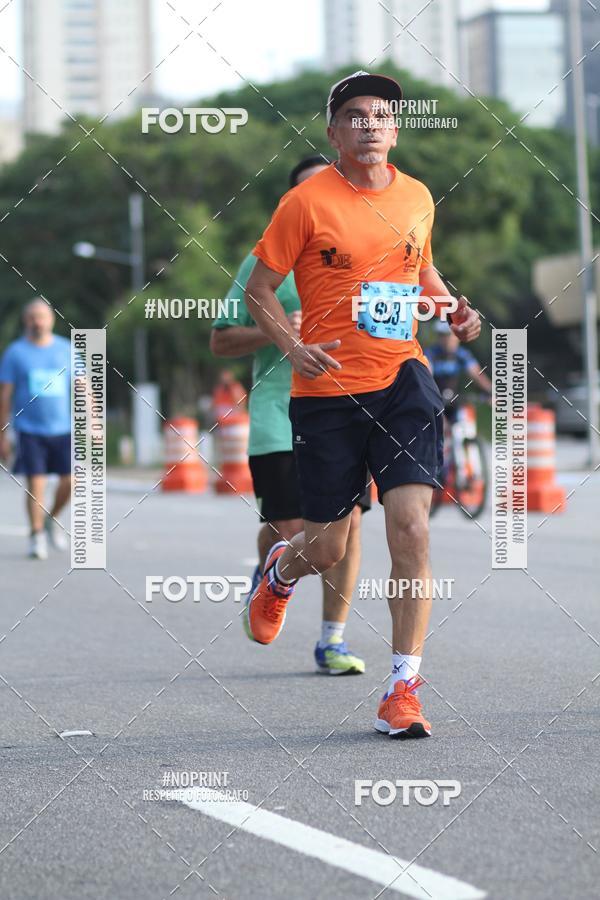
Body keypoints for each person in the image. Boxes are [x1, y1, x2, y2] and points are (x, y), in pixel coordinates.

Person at [243, 71, 481, 738]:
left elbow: (420, 267)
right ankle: (281, 572)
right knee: (325, 545)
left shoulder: (416, 196)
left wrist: (452, 307)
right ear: (333, 131)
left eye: (381, 114)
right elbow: (261, 291)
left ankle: (402, 687)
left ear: (396, 129)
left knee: (410, 527)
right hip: (325, 393)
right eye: (355, 114)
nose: (370, 123)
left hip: (404, 378)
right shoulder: (305, 203)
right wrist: (293, 348)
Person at [210, 155, 368, 676]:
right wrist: (278, 330)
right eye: (311, 189)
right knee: (285, 526)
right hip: (281, 413)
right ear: (290, 202)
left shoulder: (363, 252)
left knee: (348, 529)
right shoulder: (265, 267)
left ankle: (332, 640)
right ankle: (271, 572)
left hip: (349, 410)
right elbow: (221, 340)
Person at [0, 298, 71, 560]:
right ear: (25, 321)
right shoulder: (15, 353)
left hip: (63, 428)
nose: (37, 322)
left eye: (42, 316)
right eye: (32, 317)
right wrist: (3, 433)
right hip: (30, 429)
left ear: (51, 319)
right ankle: (36, 534)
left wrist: (94, 422)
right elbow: (5, 395)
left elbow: (83, 387)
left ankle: (52, 519)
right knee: (36, 483)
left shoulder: (67, 349)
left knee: (70, 481)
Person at [425, 320, 492, 420]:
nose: (448, 340)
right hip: (433, 405)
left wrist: (492, 392)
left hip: (455, 403)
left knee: (466, 426)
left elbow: (477, 376)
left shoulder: (462, 355)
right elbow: (426, 379)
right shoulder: (430, 354)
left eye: (451, 335)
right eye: (443, 335)